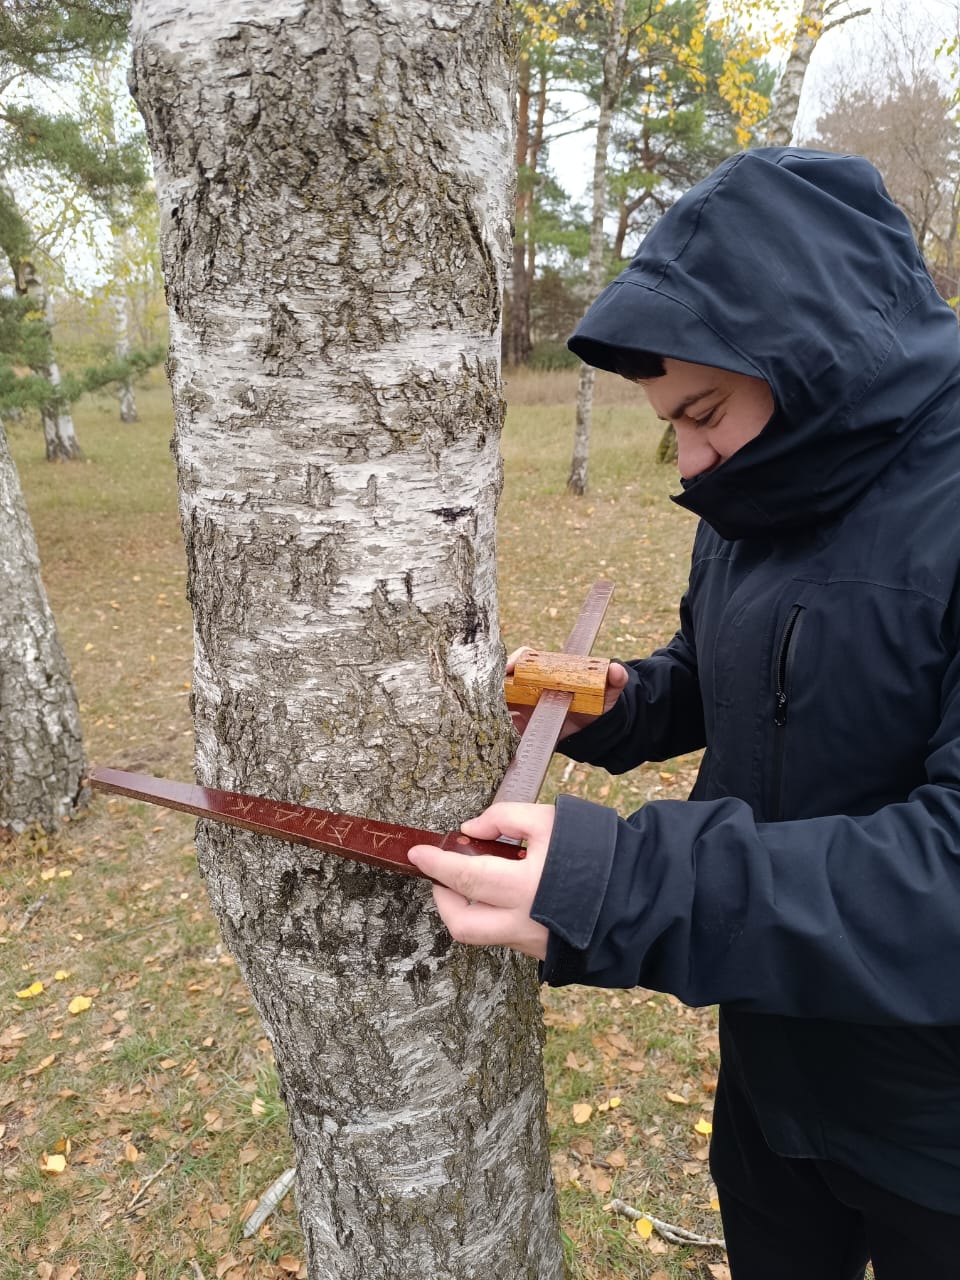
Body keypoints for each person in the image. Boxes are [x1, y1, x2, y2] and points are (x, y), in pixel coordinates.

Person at [407, 147, 960, 1279]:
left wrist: (626, 884)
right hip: (773, 1053)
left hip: (936, 1121)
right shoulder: (760, 486)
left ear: (812, 355)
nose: (694, 463)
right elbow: (730, 672)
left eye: (704, 414)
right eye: (675, 428)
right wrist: (623, 703)